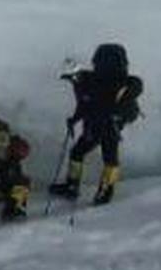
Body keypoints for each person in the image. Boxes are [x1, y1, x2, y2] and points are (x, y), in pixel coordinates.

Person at [53, 42, 145, 206]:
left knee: (108, 156)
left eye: (72, 77)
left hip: (110, 123)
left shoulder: (96, 81)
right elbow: (85, 104)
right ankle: (74, 186)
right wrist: (74, 119)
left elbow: (135, 84)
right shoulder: (84, 83)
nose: (72, 80)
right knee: (78, 152)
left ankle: (104, 190)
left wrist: (120, 103)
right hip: (98, 123)